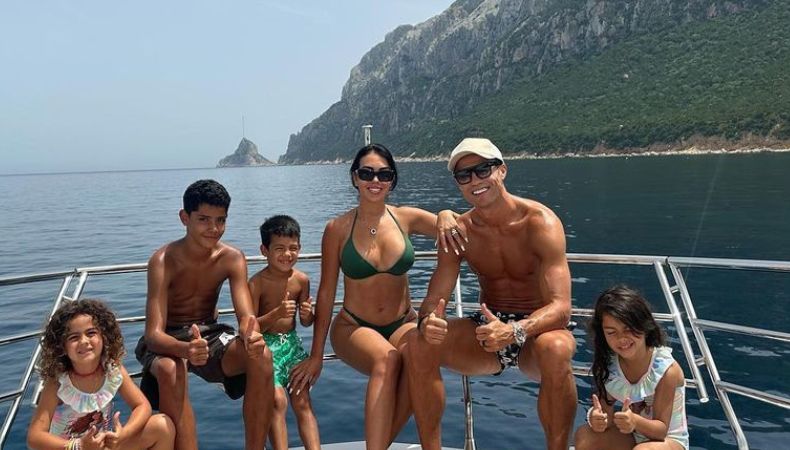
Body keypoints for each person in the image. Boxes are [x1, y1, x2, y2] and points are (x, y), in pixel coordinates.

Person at [404, 137, 578, 450]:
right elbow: (434, 298)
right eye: (464, 175)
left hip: (537, 331)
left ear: (502, 171)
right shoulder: (460, 232)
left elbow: (562, 308)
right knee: (418, 344)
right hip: (487, 328)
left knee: (555, 348)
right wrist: (428, 321)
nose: (475, 180)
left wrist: (515, 330)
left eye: (483, 170)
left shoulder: (540, 222)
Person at [288, 143, 464, 450]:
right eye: (367, 173)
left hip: (403, 322)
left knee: (420, 359)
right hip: (353, 327)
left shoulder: (406, 218)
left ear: (392, 180)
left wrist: (446, 213)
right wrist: (316, 356)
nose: (375, 180)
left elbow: (454, 225)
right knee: (388, 359)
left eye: (384, 174)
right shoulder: (337, 229)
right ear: (354, 177)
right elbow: (327, 293)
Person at [134, 179, 273, 450]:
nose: (214, 229)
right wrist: (186, 349)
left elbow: (246, 316)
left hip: (209, 333)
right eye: (204, 220)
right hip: (168, 338)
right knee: (171, 369)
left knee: (262, 356)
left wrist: (251, 335)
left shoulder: (232, 258)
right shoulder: (162, 261)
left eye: (221, 220)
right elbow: (153, 335)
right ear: (184, 218)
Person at [28, 298, 175, 450]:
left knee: (162, 426)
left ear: (104, 337)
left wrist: (123, 434)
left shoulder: (112, 369)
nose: (84, 341)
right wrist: (78, 446)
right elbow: (35, 436)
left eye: (91, 333)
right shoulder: (58, 382)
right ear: (62, 347)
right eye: (74, 337)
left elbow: (142, 406)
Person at [574, 286, 689, 450]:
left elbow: (661, 431)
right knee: (585, 435)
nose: (621, 338)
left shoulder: (666, 370)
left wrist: (635, 421)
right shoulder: (610, 366)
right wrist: (597, 418)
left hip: (669, 441)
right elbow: (605, 412)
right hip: (633, 435)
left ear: (644, 326)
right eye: (611, 332)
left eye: (628, 329)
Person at [248, 215, 320, 450]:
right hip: (266, 349)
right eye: (279, 248)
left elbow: (305, 322)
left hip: (291, 346)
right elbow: (250, 326)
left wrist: (308, 314)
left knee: (302, 400)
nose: (287, 254)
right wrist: (276, 314)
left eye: (293, 248)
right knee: (277, 402)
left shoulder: (301, 280)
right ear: (264, 250)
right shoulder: (256, 283)